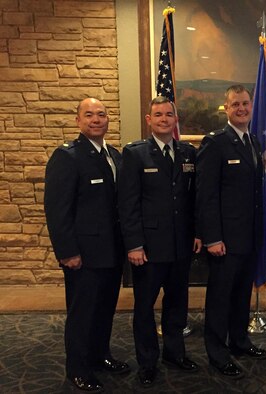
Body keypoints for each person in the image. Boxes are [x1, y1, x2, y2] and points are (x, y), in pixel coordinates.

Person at [44, 98, 129, 392]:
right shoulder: (67, 157)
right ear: (78, 120)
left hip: (112, 253)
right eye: (89, 115)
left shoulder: (115, 156)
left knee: (105, 310)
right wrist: (67, 253)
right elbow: (57, 210)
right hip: (83, 256)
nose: (96, 119)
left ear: (108, 120)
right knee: (82, 313)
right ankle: (77, 369)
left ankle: (100, 355)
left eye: (101, 114)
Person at [118, 96, 201, 387]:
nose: (164, 119)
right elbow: (128, 203)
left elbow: (193, 200)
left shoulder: (188, 153)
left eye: (169, 114)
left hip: (180, 245)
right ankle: (148, 362)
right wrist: (134, 244)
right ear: (148, 120)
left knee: (177, 304)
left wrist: (198, 233)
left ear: (176, 120)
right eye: (158, 114)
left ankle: (174, 353)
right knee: (144, 308)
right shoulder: (135, 153)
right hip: (149, 249)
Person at [196, 85, 266, 379]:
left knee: (240, 296)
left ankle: (239, 341)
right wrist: (212, 237)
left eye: (245, 103)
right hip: (224, 239)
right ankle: (217, 352)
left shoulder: (252, 141)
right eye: (235, 104)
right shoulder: (215, 143)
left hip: (248, 237)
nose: (241, 108)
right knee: (220, 298)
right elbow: (206, 194)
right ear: (226, 108)